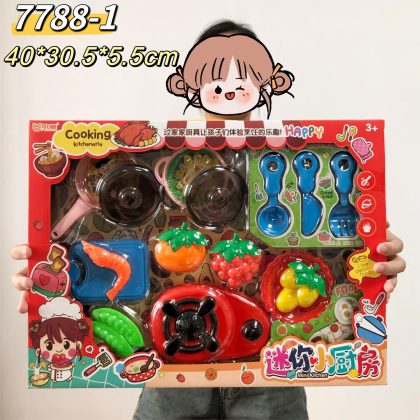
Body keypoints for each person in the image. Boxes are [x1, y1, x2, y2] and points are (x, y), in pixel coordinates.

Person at [11, 20, 406, 420]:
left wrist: (372, 259)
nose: (230, 90)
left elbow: (348, 258)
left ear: (268, 83)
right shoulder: (149, 154)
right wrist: (50, 278)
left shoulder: (293, 155)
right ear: (188, 84)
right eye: (215, 78)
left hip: (271, 374)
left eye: (245, 78)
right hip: (170, 376)